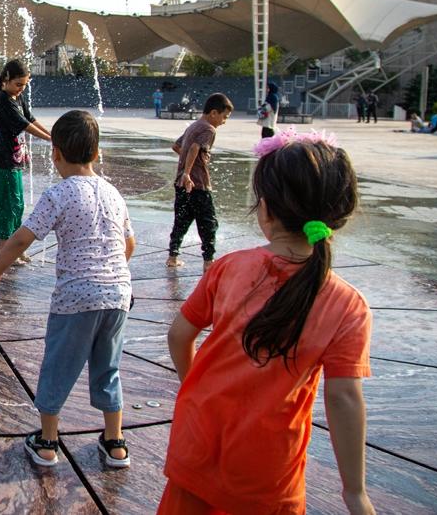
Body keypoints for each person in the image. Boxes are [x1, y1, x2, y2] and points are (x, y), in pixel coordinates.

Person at [158, 131, 374, 515]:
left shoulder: (229, 268)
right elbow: (343, 397)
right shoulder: (346, 305)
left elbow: (179, 335)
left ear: (267, 210)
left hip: (196, 445)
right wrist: (355, 492)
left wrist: (193, 388)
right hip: (266, 471)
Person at [0, 110, 135, 469]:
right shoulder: (113, 192)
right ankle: (115, 443)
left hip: (76, 298)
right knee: (108, 367)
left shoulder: (59, 193)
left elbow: (21, 240)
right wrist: (111, 275)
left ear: (56, 154)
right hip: (117, 295)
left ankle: (48, 442)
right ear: (97, 153)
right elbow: (129, 244)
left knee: (58, 366)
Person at [0, 59, 51, 264]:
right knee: (8, 206)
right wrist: (49, 139)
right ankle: (2, 252)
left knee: (18, 205)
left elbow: (30, 118)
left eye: (24, 85)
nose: (21, 88)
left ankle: (14, 248)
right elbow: (23, 124)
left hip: (14, 161)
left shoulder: (17, 96)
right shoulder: (3, 100)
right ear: (6, 79)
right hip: (4, 161)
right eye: (18, 84)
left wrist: (51, 134)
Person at [166, 93, 232, 272]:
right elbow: (195, 147)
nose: (224, 121)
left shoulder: (194, 126)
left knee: (181, 221)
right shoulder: (209, 129)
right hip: (198, 184)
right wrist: (189, 172)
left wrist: (187, 167)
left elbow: (177, 146)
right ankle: (209, 262)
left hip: (182, 183)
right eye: (224, 117)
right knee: (208, 223)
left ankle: (172, 257)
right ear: (214, 113)